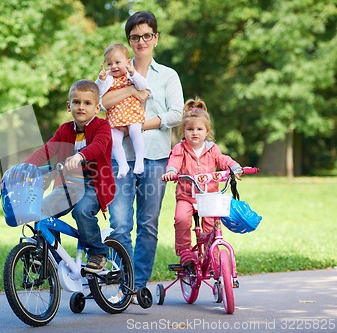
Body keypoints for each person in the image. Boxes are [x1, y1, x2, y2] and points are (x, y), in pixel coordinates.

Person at [102, 11, 184, 296]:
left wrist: (138, 124)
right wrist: (132, 94)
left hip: (156, 158)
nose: (141, 41)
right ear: (129, 41)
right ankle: (120, 285)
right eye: (135, 37)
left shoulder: (168, 76)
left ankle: (136, 287)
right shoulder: (116, 69)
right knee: (120, 224)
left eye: (146, 35)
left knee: (147, 225)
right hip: (120, 158)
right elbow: (102, 102)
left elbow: (176, 114)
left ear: (156, 38)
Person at [25, 79, 115, 273]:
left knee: (81, 211)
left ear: (97, 107)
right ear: (69, 106)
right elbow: (48, 150)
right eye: (76, 102)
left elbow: (98, 146)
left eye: (87, 103)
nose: (81, 107)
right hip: (70, 185)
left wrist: (80, 156)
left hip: (95, 185)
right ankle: (47, 255)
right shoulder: (65, 130)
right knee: (43, 209)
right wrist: (24, 167)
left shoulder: (102, 127)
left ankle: (98, 253)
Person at [162, 97, 242, 266]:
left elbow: (223, 160)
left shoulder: (212, 149)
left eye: (199, 129)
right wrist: (171, 171)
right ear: (183, 131)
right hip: (186, 197)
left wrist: (234, 166)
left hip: (209, 196)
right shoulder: (180, 149)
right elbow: (174, 162)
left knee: (212, 223)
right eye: (190, 129)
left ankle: (210, 253)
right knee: (181, 219)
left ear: (207, 131)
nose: (195, 132)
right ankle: (184, 252)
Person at [96, 43, 149, 179]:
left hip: (132, 112)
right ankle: (123, 165)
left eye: (117, 62)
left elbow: (143, 86)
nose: (113, 66)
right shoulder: (108, 79)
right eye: (109, 64)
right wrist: (100, 81)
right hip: (115, 115)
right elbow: (98, 94)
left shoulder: (130, 75)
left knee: (135, 131)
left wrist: (133, 73)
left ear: (127, 62)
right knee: (113, 140)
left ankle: (139, 161)